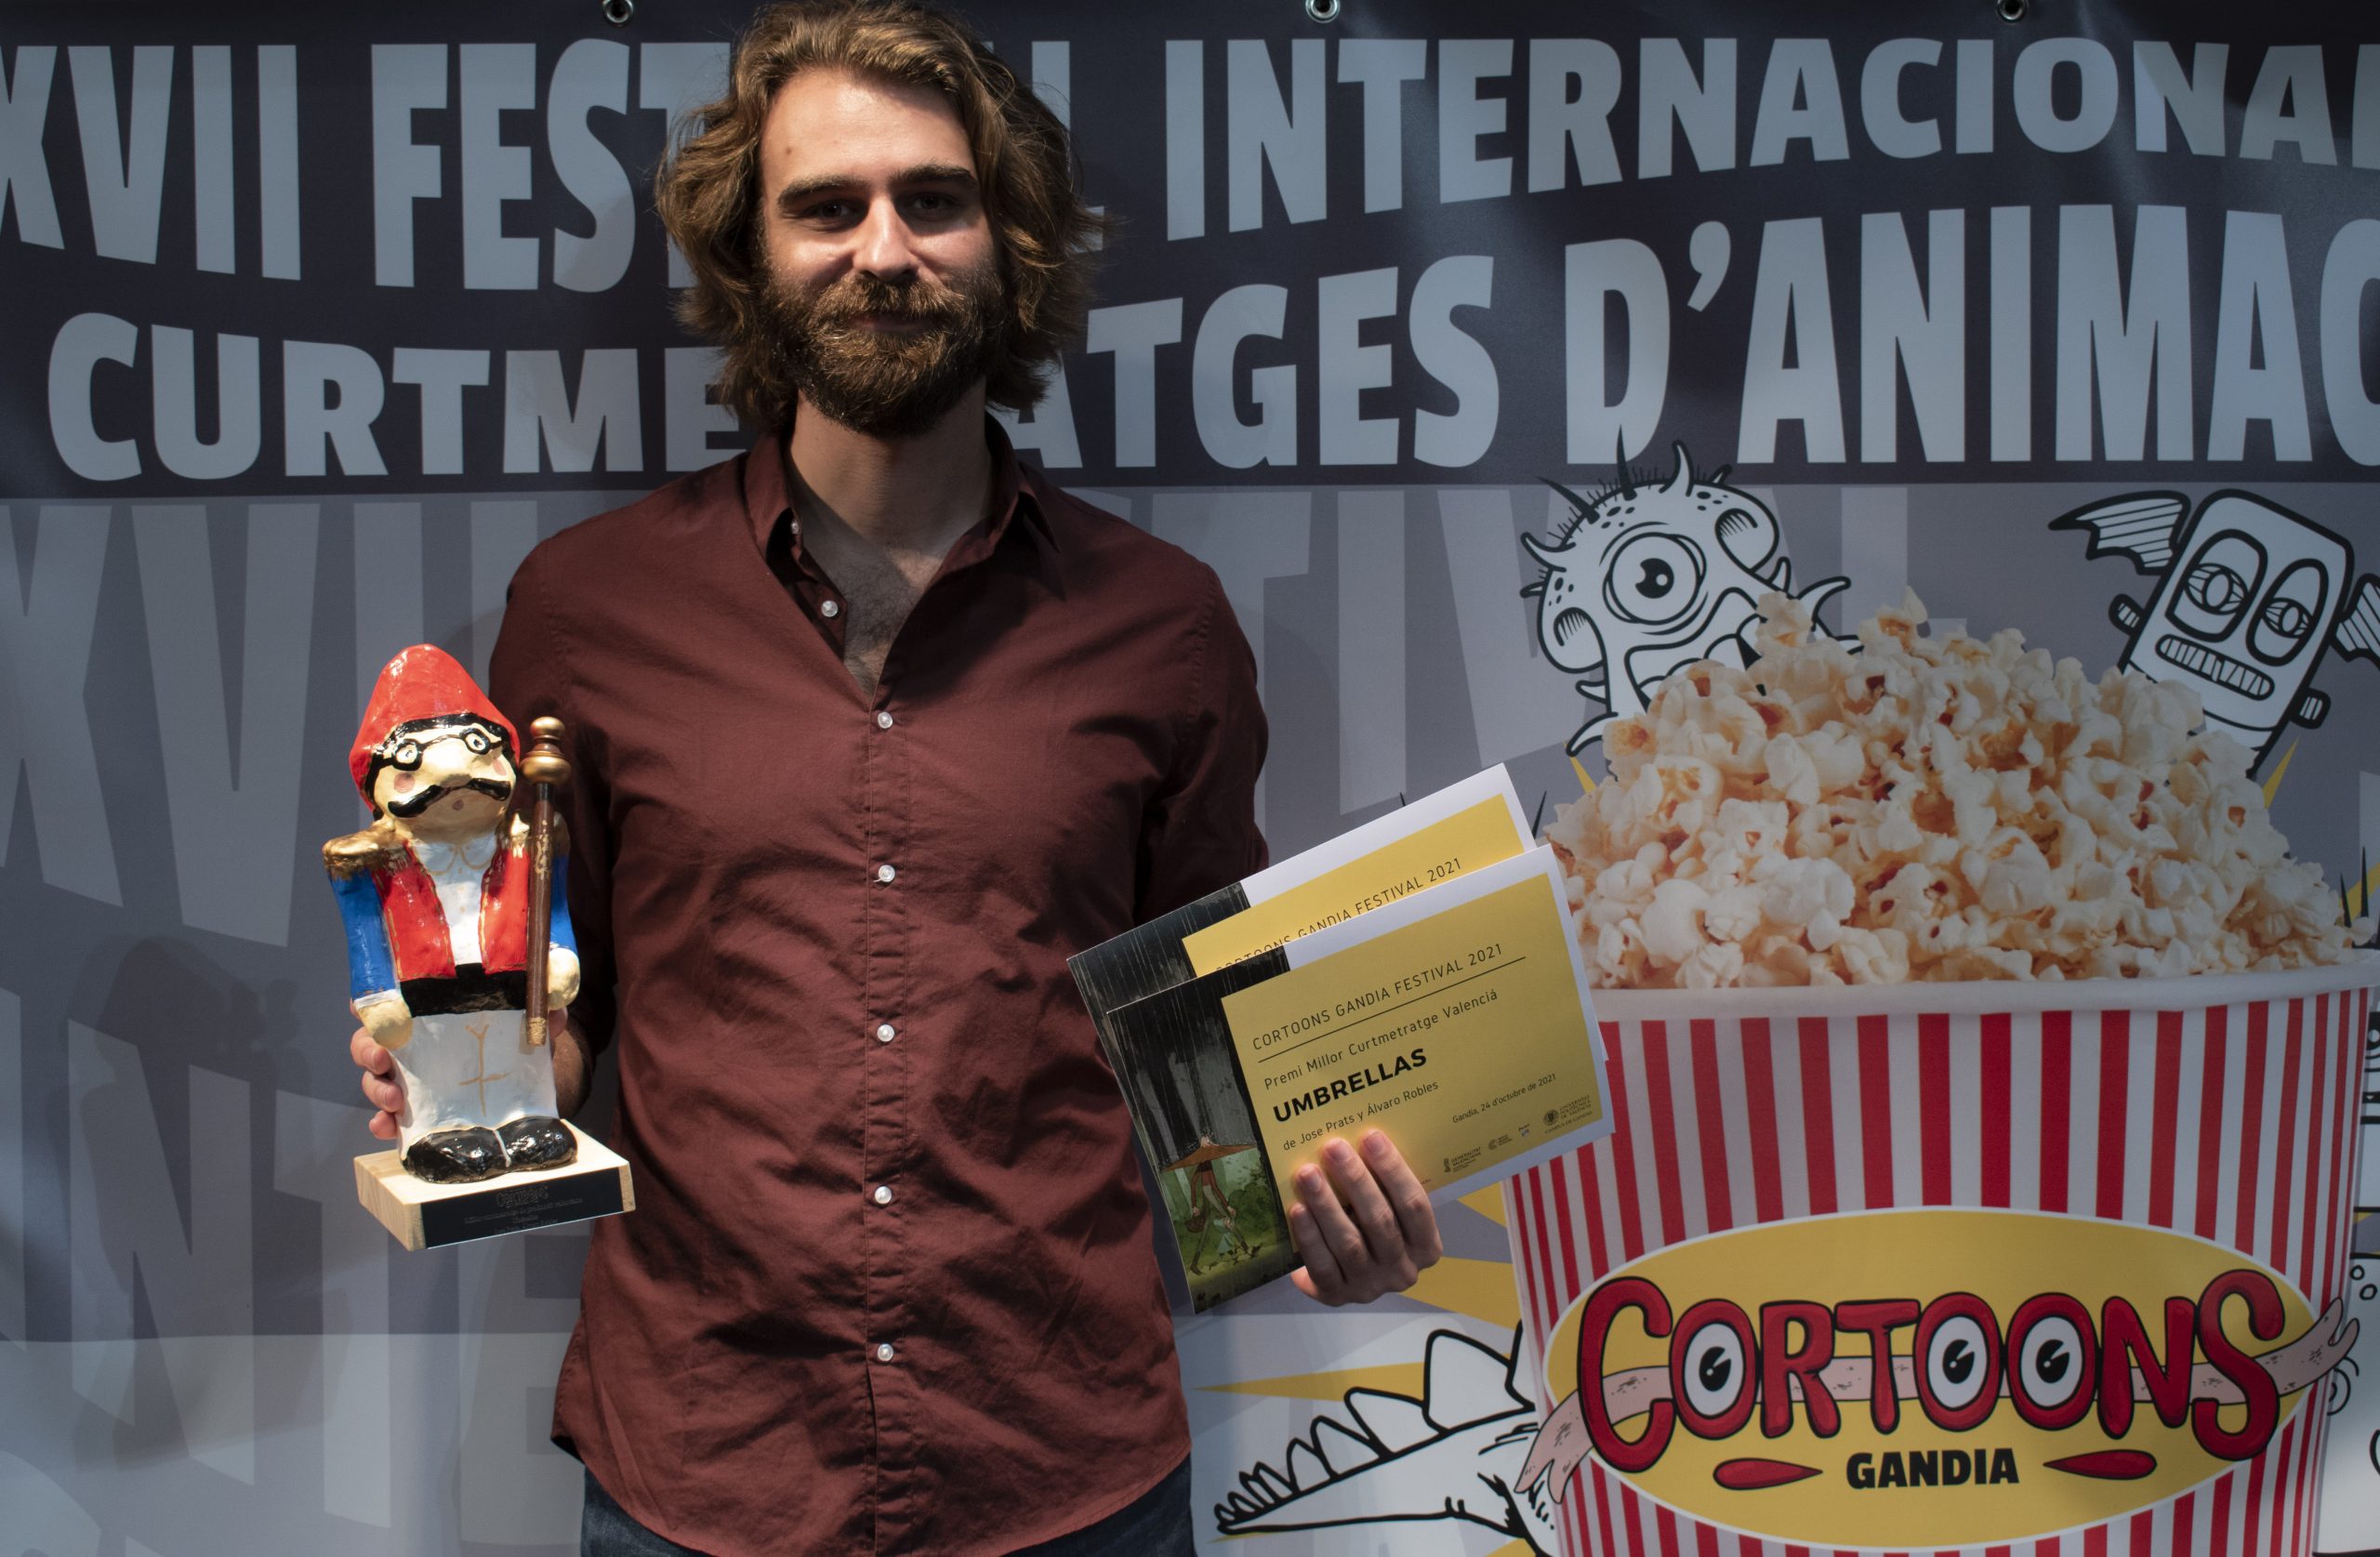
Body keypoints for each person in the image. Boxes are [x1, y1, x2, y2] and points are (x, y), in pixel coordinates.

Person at [349, 3, 1444, 1550]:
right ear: (753, 256)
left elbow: (1208, 1036)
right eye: (826, 206)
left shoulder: (1165, 626)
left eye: (934, 199)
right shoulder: (586, 614)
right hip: (703, 1473)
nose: (883, 249)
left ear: (1011, 246)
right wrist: (474, 1072)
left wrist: (1319, 1209)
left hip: (1065, 1479)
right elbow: (565, 1003)